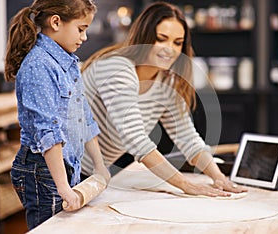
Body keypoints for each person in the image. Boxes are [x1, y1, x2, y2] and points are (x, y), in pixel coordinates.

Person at [81, 2, 247, 197]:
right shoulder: (117, 68)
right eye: (162, 39)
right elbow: (136, 140)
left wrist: (218, 177)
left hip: (95, 174)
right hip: (65, 170)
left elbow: (188, 138)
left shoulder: (167, 82)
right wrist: (187, 186)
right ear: (144, 37)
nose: (170, 49)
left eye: (177, 42)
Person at [4, 0, 110, 230]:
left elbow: (84, 117)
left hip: (64, 166)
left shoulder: (68, 62)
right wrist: (62, 187)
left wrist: (100, 166)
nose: (84, 37)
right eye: (81, 29)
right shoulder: (38, 66)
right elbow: (47, 132)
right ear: (55, 22)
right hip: (42, 171)